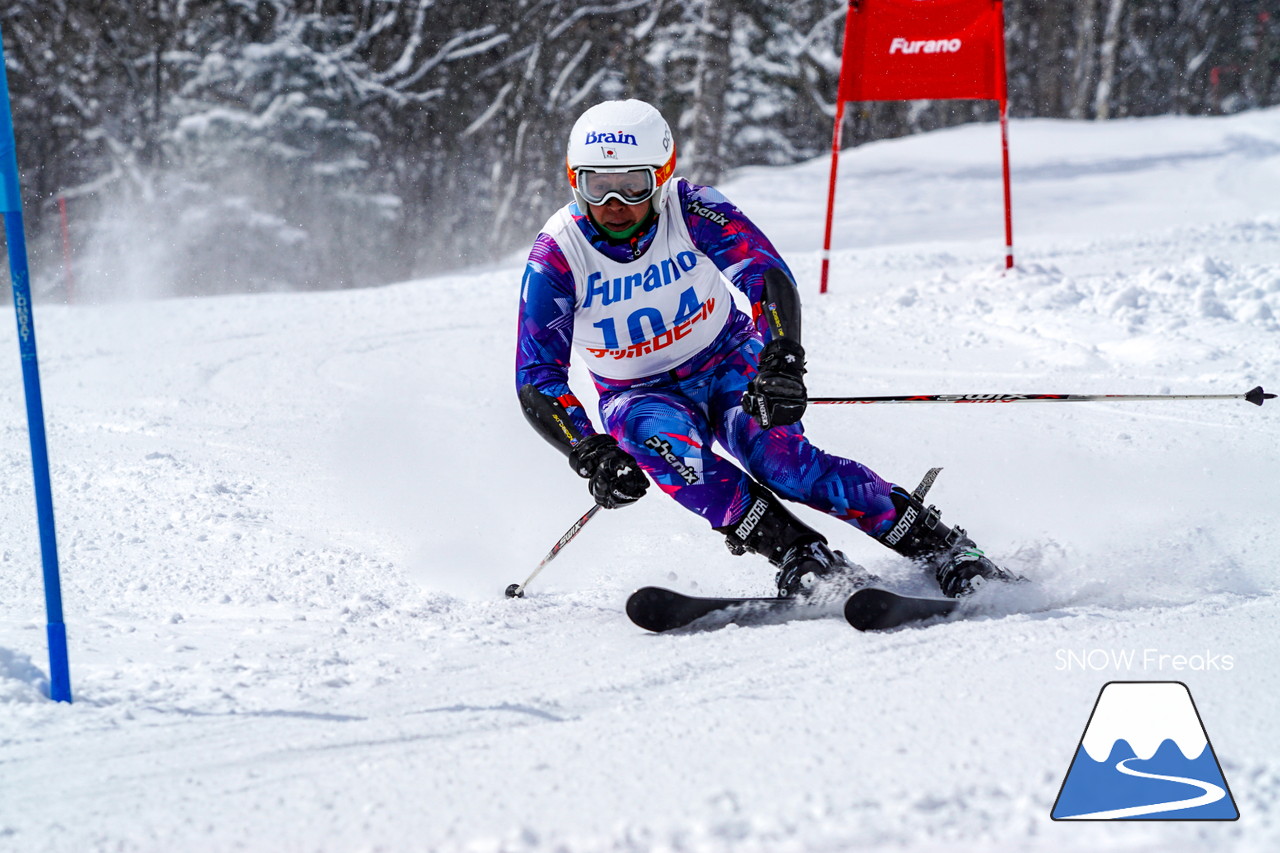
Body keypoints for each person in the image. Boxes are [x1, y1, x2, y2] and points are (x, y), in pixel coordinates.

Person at [515, 98, 1017, 599]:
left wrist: (781, 361)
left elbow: (765, 275)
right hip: (639, 393)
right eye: (596, 187)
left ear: (662, 177)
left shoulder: (692, 209)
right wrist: (590, 450)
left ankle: (944, 548)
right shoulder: (558, 255)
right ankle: (799, 553)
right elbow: (538, 376)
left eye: (633, 186)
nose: (614, 206)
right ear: (574, 180)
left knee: (781, 462)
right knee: (660, 444)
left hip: (729, 359)